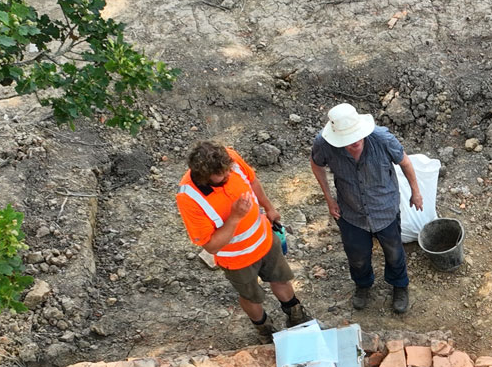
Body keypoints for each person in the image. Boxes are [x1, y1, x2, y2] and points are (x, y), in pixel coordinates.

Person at [175, 143, 309, 337]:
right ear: (206, 178)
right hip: (237, 261)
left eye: (228, 169)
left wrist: (269, 207)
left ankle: (296, 315)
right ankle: (264, 330)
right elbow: (211, 246)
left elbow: (253, 182)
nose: (229, 174)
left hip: (265, 241)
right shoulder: (189, 198)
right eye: (223, 175)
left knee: (281, 279)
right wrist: (235, 217)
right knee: (251, 297)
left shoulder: (228, 158)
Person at [309, 102, 422, 315]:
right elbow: (316, 164)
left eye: (356, 137)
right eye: (348, 141)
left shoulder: (382, 139)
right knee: (357, 255)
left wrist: (416, 192)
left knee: (394, 252)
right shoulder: (323, 144)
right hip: (351, 212)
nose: (354, 144)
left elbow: (405, 162)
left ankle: (399, 285)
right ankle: (363, 284)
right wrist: (329, 198)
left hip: (384, 208)